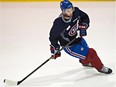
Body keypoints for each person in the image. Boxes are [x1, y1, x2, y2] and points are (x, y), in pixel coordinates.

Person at [49, 0, 112, 74]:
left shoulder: (76, 11)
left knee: (86, 53)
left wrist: (83, 27)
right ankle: (101, 67)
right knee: (91, 53)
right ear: (63, 11)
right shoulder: (58, 23)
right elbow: (53, 37)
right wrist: (55, 48)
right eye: (68, 11)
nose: (71, 12)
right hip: (70, 46)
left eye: (71, 9)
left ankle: (85, 63)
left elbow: (85, 17)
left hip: (79, 39)